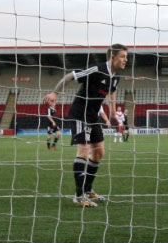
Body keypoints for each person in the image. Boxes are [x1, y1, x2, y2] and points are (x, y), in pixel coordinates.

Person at [43, 44, 128, 207]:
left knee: (99, 153)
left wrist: (112, 112)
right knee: (84, 150)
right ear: (112, 57)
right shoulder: (96, 69)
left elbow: (112, 91)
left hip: (93, 116)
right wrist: (54, 93)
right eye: (123, 56)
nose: (126, 60)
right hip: (79, 113)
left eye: (126, 57)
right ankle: (79, 195)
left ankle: (88, 190)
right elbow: (70, 76)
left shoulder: (116, 76)